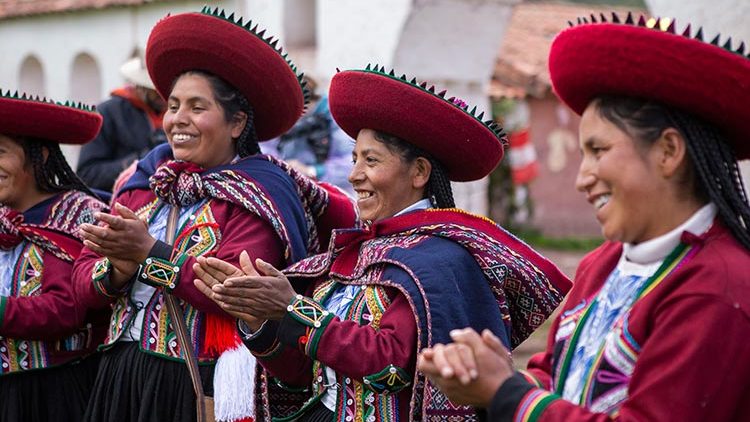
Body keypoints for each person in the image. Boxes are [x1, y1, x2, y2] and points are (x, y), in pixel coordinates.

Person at [418, 13, 750, 421]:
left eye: (598, 151)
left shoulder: (718, 287)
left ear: (668, 151)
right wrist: (493, 378)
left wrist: (505, 394)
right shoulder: (603, 263)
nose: (583, 178)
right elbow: (555, 373)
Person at [194, 66, 572, 421]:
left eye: (371, 161)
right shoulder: (352, 253)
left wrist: (291, 307)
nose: (355, 175)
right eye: (355, 158)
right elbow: (302, 375)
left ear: (419, 172)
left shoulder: (440, 261)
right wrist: (261, 319)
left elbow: (389, 370)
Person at [72, 7, 356, 422]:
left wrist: (148, 253)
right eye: (172, 105)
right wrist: (115, 269)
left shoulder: (259, 194)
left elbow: (234, 291)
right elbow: (82, 284)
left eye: (196, 107)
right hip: (120, 377)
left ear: (237, 122)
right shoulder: (144, 183)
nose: (177, 120)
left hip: (192, 384)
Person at [0, 91, 109, 421]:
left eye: (1, 152)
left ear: (40, 156)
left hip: (52, 394)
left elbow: (67, 309)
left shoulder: (77, 217)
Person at [76, 54, 167, 193]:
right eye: (156, 90)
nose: (163, 95)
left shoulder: (173, 114)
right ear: (140, 86)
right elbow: (88, 175)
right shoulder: (107, 113)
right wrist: (144, 158)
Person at [260, 75, 355, 196]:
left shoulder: (335, 118)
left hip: (329, 194)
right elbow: (264, 147)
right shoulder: (282, 113)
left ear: (311, 101)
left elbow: (350, 163)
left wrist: (313, 171)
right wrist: (281, 167)